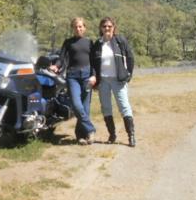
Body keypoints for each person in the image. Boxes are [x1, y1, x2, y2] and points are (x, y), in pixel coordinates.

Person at [50, 17, 97, 145]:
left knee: (85, 108)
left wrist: (94, 76)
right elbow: (61, 58)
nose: (78, 29)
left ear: (84, 28)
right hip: (73, 76)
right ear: (73, 28)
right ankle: (91, 129)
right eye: (76, 27)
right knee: (76, 105)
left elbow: (94, 62)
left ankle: (81, 136)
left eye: (80, 26)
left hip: (87, 76)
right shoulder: (68, 42)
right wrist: (56, 66)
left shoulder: (89, 42)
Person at [91, 17, 136, 147]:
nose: (107, 28)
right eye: (104, 26)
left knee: (124, 107)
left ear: (114, 28)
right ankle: (112, 135)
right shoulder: (97, 44)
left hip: (118, 80)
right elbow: (94, 64)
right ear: (101, 28)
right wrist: (95, 79)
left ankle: (131, 136)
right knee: (106, 108)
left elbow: (130, 57)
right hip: (103, 81)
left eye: (109, 26)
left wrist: (128, 74)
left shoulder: (120, 41)